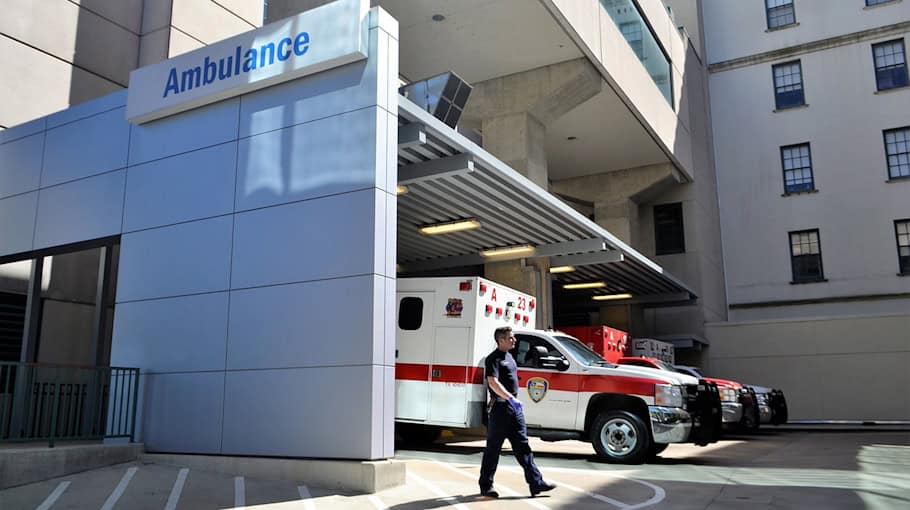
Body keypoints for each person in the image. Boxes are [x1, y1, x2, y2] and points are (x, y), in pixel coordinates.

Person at [479, 326, 557, 498]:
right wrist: (510, 398)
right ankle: (486, 485)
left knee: (523, 446)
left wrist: (514, 402)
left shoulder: (510, 357)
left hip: (513, 410)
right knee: (493, 448)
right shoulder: (493, 359)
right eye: (510, 338)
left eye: (513, 337)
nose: (514, 340)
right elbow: (492, 382)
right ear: (500, 340)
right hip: (500, 408)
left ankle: (536, 483)